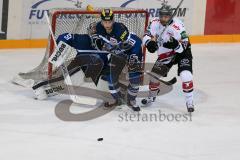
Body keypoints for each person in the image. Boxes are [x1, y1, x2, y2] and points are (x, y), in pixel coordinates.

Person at [141, 4, 194, 112]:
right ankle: (152, 96)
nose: (163, 19)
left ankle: (190, 101)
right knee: (154, 77)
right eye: (162, 16)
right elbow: (146, 35)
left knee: (186, 76)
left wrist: (175, 45)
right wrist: (149, 43)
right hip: (166, 53)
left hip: (182, 52)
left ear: (170, 16)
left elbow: (183, 45)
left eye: (166, 17)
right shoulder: (155, 22)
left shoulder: (178, 26)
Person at [89, 8, 143, 111]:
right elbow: (96, 37)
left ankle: (132, 100)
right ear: (102, 21)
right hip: (118, 51)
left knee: (134, 78)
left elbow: (125, 46)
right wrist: (97, 41)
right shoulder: (99, 27)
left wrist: (109, 48)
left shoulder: (120, 29)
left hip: (133, 49)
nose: (107, 24)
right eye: (105, 22)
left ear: (113, 21)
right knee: (110, 76)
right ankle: (117, 99)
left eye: (109, 22)